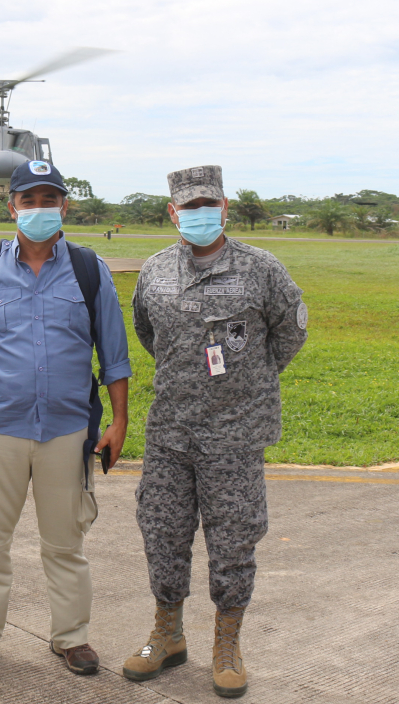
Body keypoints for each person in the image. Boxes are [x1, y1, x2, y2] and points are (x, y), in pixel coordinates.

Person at [125, 166, 308, 698]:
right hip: (170, 432)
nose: (199, 213)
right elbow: (147, 333)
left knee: (233, 540)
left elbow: (290, 332)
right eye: (189, 206)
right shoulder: (155, 270)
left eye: (208, 204)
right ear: (172, 212)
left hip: (235, 434)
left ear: (224, 208)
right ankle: (167, 634)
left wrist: (246, 386)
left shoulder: (261, 268)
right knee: (162, 532)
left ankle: (227, 644)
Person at [0, 160, 132, 678]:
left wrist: (118, 422)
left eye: (49, 200)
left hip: (66, 430)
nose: (39, 209)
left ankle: (71, 637)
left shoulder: (89, 270)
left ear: (64, 207)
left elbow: (113, 355)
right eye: (29, 200)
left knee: (65, 544)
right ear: (12, 208)